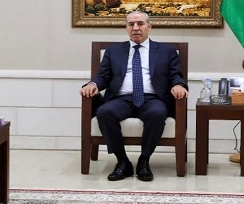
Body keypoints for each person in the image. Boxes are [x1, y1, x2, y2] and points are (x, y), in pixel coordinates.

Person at [80, 11, 188, 181]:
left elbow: (175, 75)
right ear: (126, 28)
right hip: (122, 98)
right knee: (104, 112)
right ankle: (122, 161)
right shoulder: (114, 51)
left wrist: (178, 85)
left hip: (152, 98)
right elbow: (103, 76)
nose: (135, 28)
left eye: (140, 24)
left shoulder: (166, 51)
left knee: (157, 113)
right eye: (131, 24)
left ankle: (144, 160)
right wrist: (93, 84)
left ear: (149, 27)